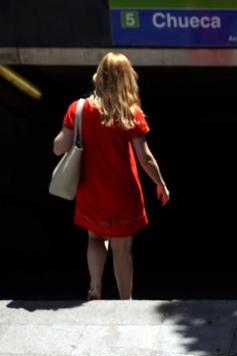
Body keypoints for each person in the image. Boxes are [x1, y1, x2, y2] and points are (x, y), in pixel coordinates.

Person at [52, 52, 169, 300]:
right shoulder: (130, 113)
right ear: (127, 78)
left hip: (90, 189)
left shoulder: (79, 109)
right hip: (123, 192)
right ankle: (125, 300)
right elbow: (145, 157)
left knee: (95, 237)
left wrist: (69, 135)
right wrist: (160, 183)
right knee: (122, 248)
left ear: (100, 76)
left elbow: (59, 147)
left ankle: (95, 287)